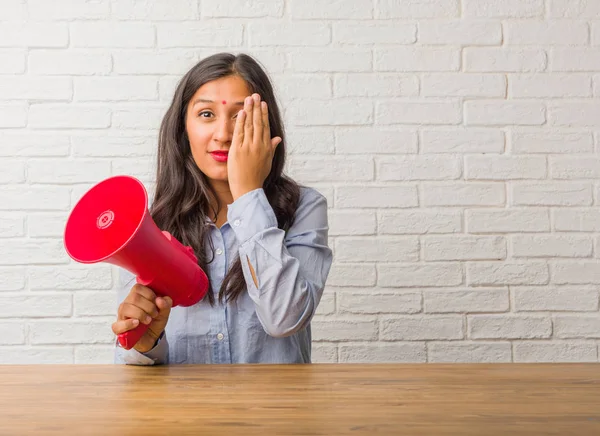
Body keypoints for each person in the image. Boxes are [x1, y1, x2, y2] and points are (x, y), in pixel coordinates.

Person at [112, 53, 333, 365]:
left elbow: (284, 319)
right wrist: (146, 344)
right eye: (206, 114)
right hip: (180, 410)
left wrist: (248, 193)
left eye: (241, 116)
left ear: (266, 127)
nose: (224, 135)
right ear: (182, 129)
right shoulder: (149, 224)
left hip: (274, 411)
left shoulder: (305, 208)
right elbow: (132, 357)